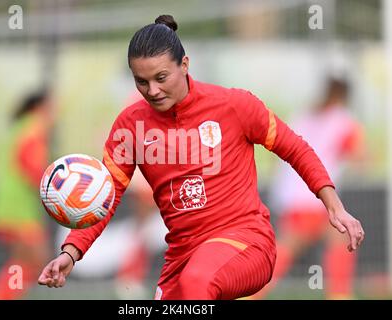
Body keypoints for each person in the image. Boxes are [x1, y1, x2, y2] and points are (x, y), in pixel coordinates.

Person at [37, 15, 365, 300]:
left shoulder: (235, 106)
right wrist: (71, 252)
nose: (152, 90)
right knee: (191, 280)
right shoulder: (130, 125)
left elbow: (296, 148)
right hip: (182, 258)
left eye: (161, 78)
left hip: (247, 243)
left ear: (185, 65)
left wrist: (334, 205)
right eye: (141, 81)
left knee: (199, 279)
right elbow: (104, 196)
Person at [252, 77, 366, 299]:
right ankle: (252, 292)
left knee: (336, 238)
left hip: (291, 192)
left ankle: (252, 291)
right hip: (315, 194)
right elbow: (361, 157)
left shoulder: (303, 115)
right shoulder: (343, 120)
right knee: (290, 247)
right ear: (345, 97)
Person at [0, 89, 56, 299]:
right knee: (36, 259)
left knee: (26, 261)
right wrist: (54, 189)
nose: (55, 113)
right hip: (17, 209)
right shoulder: (34, 128)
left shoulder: (21, 126)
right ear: (40, 107)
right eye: (52, 107)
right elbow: (30, 165)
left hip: (8, 207)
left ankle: (0, 295)